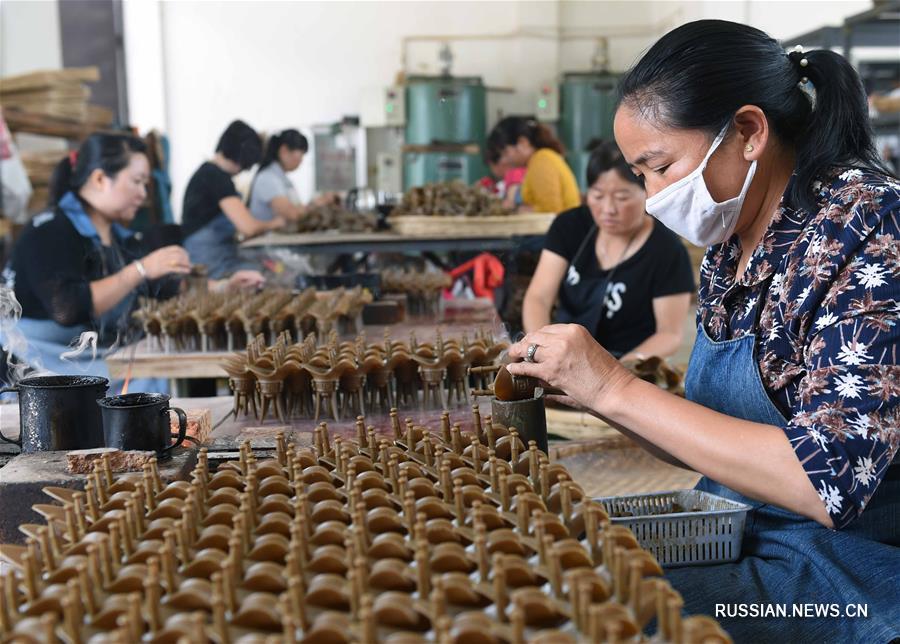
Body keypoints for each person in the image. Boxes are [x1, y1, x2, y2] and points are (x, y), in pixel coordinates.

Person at [507, 20, 899, 643]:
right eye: (640, 174)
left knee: (596, 618)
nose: (652, 196)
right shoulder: (735, 234)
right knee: (543, 567)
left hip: (848, 576)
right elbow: (711, 432)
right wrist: (592, 397)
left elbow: (826, 480)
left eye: (659, 167)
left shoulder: (868, 227)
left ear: (747, 131)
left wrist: (614, 387)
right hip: (737, 530)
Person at [0, 134, 261, 392]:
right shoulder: (49, 230)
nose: (144, 194)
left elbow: (159, 286)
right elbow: (68, 307)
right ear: (100, 179)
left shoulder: (114, 237)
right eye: (137, 182)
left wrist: (222, 287)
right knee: (144, 388)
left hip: (77, 355)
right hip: (33, 365)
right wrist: (141, 269)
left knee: (151, 380)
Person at [522, 140, 693, 360]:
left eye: (622, 197)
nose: (608, 209)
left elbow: (669, 334)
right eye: (598, 196)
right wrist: (541, 350)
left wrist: (619, 372)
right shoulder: (570, 226)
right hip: (564, 356)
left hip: (626, 362)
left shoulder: (667, 250)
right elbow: (539, 297)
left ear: (647, 193)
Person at [182, 120, 283, 279]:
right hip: (208, 261)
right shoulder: (216, 177)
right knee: (271, 274)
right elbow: (248, 227)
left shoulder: (209, 172)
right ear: (243, 159)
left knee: (276, 267)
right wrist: (276, 223)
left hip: (218, 254)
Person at [487, 116, 580, 213]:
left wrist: (515, 209)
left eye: (506, 152)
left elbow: (550, 211)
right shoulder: (538, 161)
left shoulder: (542, 161)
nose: (504, 160)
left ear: (522, 143)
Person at [248, 129, 334, 224]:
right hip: (269, 238)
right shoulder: (267, 179)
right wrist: (316, 204)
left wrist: (316, 203)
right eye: (301, 154)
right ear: (284, 151)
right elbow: (292, 215)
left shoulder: (282, 178)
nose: (301, 160)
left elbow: (298, 209)